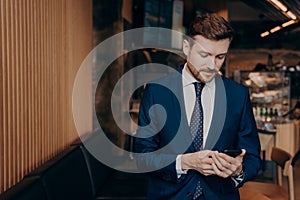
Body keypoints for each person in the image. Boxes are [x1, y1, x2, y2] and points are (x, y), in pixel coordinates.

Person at [134, 13, 261, 200]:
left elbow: (252, 157)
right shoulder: (157, 91)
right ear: (186, 47)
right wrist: (183, 162)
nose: (212, 65)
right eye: (204, 55)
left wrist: (238, 170)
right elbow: (142, 157)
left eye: (220, 57)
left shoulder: (237, 95)